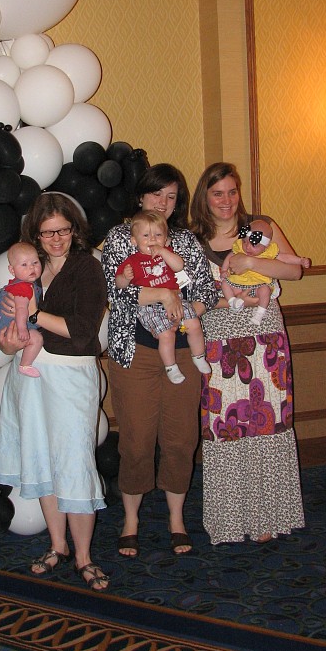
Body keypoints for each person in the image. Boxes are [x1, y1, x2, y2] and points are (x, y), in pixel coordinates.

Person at [0, 193, 110, 592]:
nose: (56, 239)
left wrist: (32, 313)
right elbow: (8, 338)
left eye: (63, 230)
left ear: (74, 230)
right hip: (28, 376)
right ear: (36, 236)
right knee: (40, 457)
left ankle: (84, 556)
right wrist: (10, 340)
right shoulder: (28, 270)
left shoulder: (87, 268)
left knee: (75, 461)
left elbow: (81, 331)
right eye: (48, 232)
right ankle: (57, 546)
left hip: (71, 376)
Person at [101, 164, 218, 558]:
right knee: (135, 440)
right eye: (156, 195)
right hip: (134, 354)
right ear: (140, 197)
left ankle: (176, 518)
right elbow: (115, 294)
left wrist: (180, 305)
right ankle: (131, 520)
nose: (163, 204)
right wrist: (163, 297)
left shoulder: (184, 241)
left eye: (171, 197)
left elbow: (206, 293)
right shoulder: (122, 236)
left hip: (183, 352)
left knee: (181, 439)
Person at [190, 162, 306, 545]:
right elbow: (192, 294)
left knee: (267, 420)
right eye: (217, 193)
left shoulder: (259, 228)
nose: (226, 201)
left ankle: (268, 514)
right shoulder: (193, 238)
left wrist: (251, 262)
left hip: (264, 336)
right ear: (204, 198)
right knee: (226, 427)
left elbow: (293, 272)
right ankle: (230, 517)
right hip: (220, 340)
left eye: (232, 191)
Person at [115, 209, 210, 383]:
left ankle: (198, 356)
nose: (152, 239)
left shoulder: (167, 253)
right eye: (146, 235)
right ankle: (171, 366)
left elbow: (178, 266)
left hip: (177, 300)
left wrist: (164, 251)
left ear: (165, 239)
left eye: (158, 235)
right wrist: (125, 277)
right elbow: (118, 286)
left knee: (194, 324)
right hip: (149, 306)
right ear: (134, 241)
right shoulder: (132, 261)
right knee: (166, 335)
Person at [220, 219, 311, 324]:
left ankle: (260, 313)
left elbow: (285, 258)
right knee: (225, 283)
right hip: (238, 282)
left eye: (254, 244)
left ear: (266, 246)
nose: (247, 247)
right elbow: (230, 256)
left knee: (265, 290)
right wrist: (224, 270)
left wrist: (300, 260)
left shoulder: (270, 251)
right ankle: (232, 301)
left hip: (259, 284)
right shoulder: (240, 248)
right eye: (245, 242)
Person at [0, 242, 43, 378]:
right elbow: (21, 309)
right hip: (14, 327)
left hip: (8, 327)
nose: (31, 267)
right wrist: (22, 329)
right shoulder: (23, 287)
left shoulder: (17, 284)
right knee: (37, 339)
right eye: (24, 265)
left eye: (35, 262)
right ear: (12, 270)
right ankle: (25, 365)